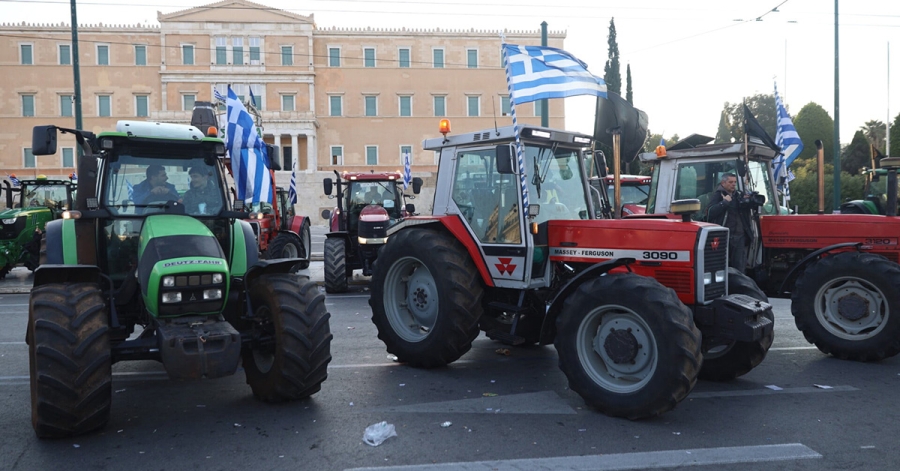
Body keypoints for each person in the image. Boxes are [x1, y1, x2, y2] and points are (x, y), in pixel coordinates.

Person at [706, 172, 753, 272]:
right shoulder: (718, 195)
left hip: (739, 235)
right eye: (730, 182)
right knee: (722, 265)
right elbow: (710, 213)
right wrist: (725, 203)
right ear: (723, 183)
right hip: (724, 236)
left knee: (740, 266)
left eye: (735, 182)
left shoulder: (738, 195)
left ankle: (740, 285)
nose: (733, 184)